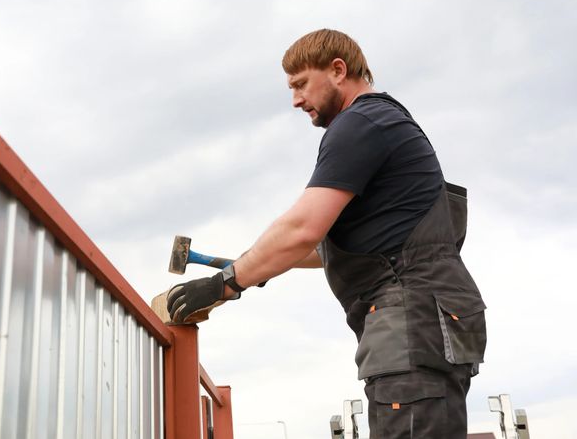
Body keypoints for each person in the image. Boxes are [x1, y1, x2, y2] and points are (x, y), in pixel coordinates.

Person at [167, 29, 487, 438]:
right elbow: (319, 248)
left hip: (411, 321)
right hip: (425, 322)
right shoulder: (383, 123)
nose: (296, 100)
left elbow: (302, 228)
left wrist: (224, 284)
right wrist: (256, 262)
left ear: (338, 70)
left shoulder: (361, 122)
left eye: (301, 84)